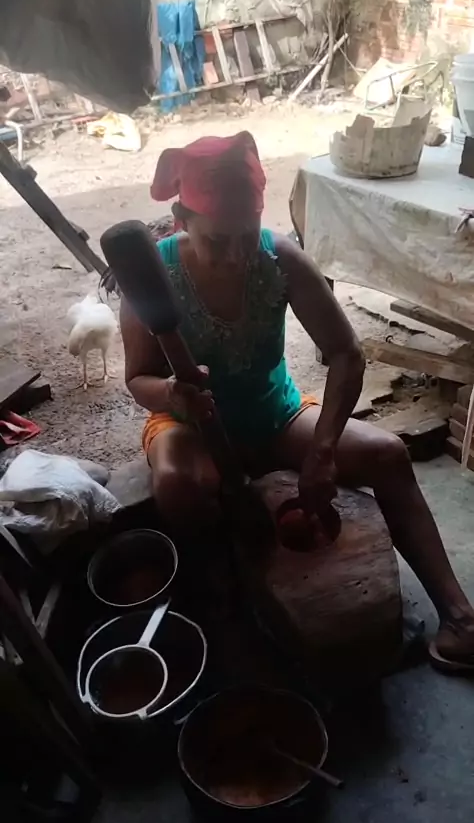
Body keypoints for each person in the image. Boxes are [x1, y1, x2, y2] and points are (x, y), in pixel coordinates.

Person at [121, 130, 474, 672]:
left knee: (386, 454)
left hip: (275, 412)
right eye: (218, 240)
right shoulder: (154, 276)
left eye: (246, 234)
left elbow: (346, 354)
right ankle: (225, 604)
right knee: (177, 485)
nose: (236, 254)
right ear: (182, 219)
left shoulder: (279, 258)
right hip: (188, 425)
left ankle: (460, 617)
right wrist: (172, 393)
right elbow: (138, 379)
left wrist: (323, 451)